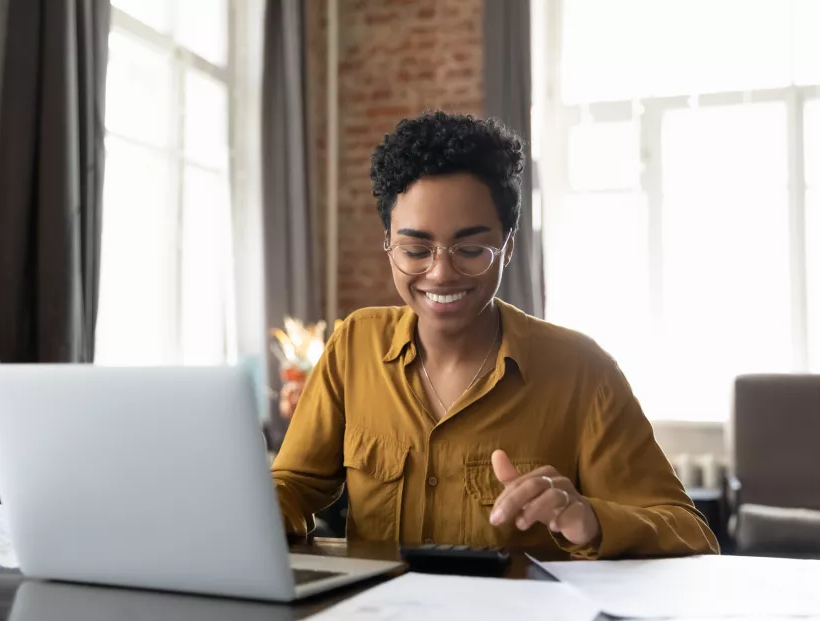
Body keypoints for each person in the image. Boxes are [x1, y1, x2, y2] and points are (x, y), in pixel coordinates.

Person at [271, 111, 719, 558]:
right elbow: (292, 484)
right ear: (388, 244)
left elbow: (691, 533)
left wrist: (590, 519)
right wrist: (261, 508)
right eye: (416, 250)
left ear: (508, 247)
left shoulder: (583, 372)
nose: (441, 273)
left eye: (470, 249)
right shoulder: (355, 346)